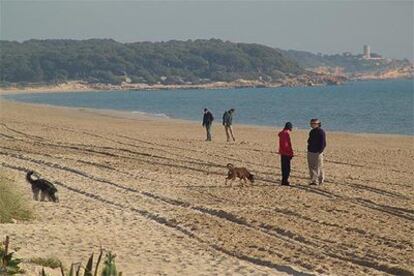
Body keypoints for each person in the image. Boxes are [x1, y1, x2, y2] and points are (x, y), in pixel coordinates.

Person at [307, 118, 326, 185]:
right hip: (311, 151)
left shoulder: (321, 131)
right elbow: (309, 140)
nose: (312, 125)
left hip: (318, 152)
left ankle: (321, 180)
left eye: (314, 123)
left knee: (319, 166)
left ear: (318, 124)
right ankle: (313, 180)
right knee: (311, 166)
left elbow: (323, 143)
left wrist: (320, 151)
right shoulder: (311, 131)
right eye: (311, 123)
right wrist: (309, 148)